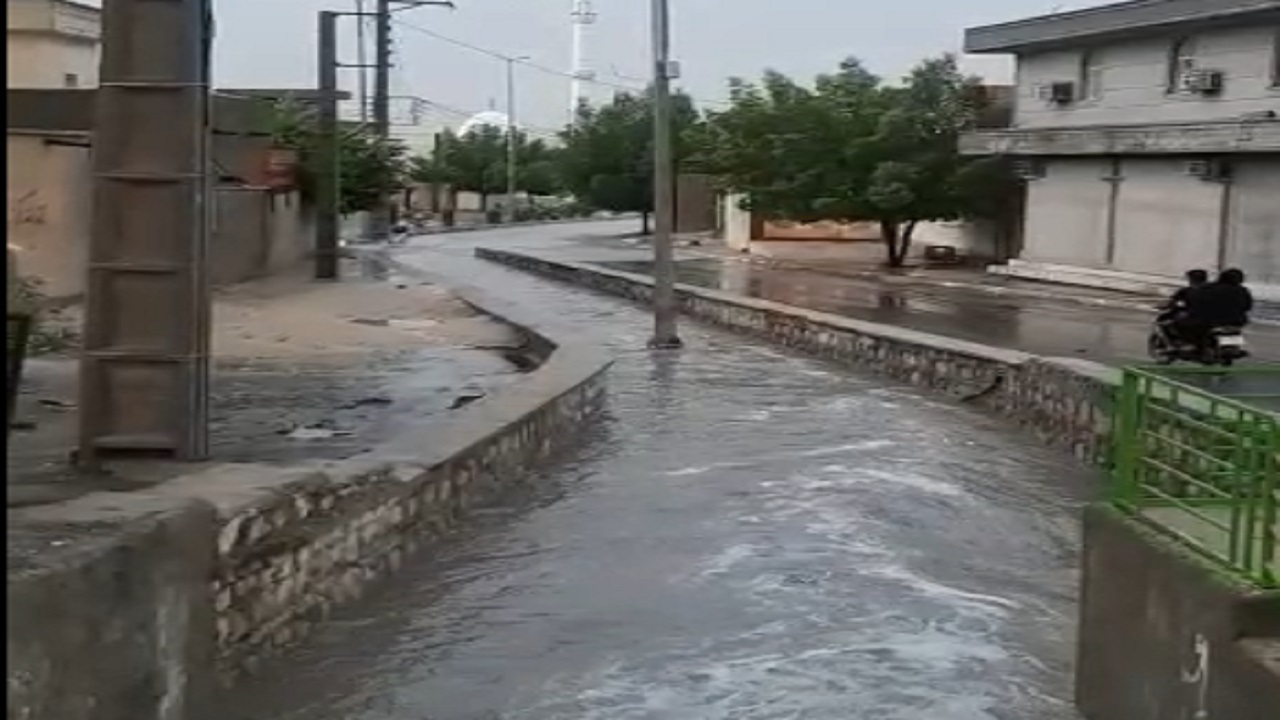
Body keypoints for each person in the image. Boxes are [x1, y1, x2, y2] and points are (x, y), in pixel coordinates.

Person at [1182, 268, 1253, 352]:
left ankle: (1193, 345)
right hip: (1237, 321)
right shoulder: (1243, 290)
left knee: (1185, 323)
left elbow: (1197, 300)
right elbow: (1248, 306)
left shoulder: (1209, 287)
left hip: (1211, 320)